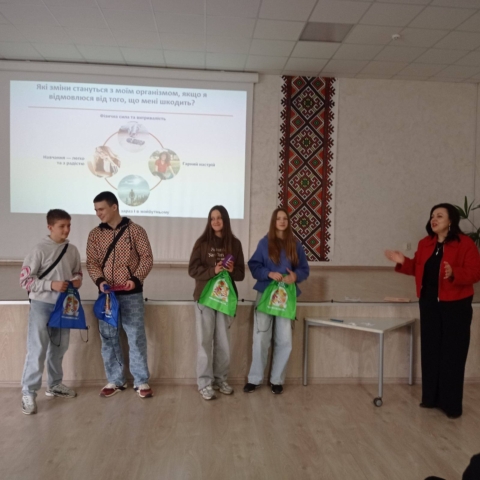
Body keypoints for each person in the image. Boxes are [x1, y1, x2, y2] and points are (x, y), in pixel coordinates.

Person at [385, 203, 480, 418]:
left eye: (439, 216)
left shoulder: (465, 244)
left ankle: (451, 405)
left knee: (453, 354)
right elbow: (418, 268)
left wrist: (454, 273)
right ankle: (430, 399)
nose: (433, 219)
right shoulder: (425, 243)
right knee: (430, 350)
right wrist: (403, 261)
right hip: (428, 304)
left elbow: (475, 272)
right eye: (432, 216)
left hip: (456, 305)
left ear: (451, 221)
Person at [86, 191, 154, 399]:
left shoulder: (136, 231)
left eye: (101, 209)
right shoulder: (95, 235)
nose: (98, 213)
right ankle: (116, 380)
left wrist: (136, 278)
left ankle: (141, 381)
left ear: (114, 207)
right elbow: (92, 262)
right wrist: (100, 281)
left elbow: (147, 258)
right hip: (107, 296)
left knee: (136, 336)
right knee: (108, 337)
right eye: (96, 210)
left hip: (132, 295)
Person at [19, 209, 82, 415]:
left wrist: (77, 280)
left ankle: (54, 384)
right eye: (62, 226)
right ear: (50, 227)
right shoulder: (39, 250)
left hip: (64, 306)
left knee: (59, 347)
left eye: (69, 225)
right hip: (41, 305)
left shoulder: (72, 250)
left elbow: (77, 272)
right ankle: (28, 392)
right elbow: (25, 281)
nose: (66, 230)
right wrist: (50, 285)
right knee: (37, 348)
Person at [243, 208, 309, 395]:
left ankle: (277, 380)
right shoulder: (264, 243)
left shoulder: (295, 245)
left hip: (285, 297)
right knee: (261, 338)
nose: (282, 221)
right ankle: (255, 379)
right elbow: (254, 266)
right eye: (278, 218)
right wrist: (268, 273)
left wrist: (295, 276)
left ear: (288, 222)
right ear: (273, 222)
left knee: (284, 339)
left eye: (285, 218)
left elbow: (304, 269)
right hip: (266, 294)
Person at [188, 205, 245, 400]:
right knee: (204, 341)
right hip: (205, 298)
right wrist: (213, 270)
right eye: (212, 218)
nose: (216, 221)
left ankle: (221, 380)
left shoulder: (235, 244)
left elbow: (241, 274)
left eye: (219, 217)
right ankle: (204, 383)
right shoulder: (202, 243)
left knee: (223, 342)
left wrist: (231, 270)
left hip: (225, 299)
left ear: (225, 219)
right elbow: (192, 270)